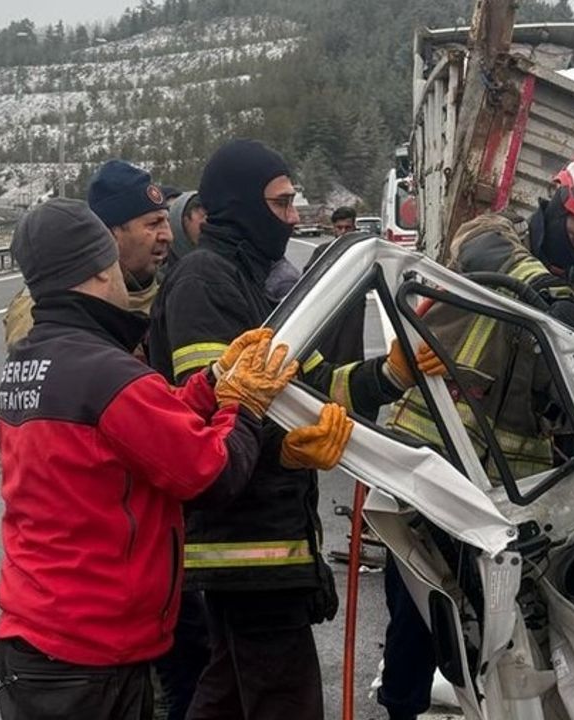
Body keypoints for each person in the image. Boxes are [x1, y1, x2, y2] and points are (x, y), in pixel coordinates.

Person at [149, 139, 436, 720]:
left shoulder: (257, 286)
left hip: (267, 534)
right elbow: (212, 413)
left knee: (227, 696)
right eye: (280, 204)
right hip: (244, 544)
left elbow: (312, 387)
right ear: (240, 205)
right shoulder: (206, 283)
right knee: (286, 700)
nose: (292, 217)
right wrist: (291, 452)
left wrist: (390, 375)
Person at [0, 198, 298, 720]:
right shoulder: (104, 372)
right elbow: (211, 473)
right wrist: (244, 408)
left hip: (43, 632)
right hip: (90, 653)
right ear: (98, 270)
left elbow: (140, 425)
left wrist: (212, 385)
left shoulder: (35, 359)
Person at [375, 148, 574, 720]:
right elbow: (483, 252)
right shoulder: (494, 234)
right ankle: (401, 708)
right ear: (557, 203)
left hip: (506, 493)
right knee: (419, 605)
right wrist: (545, 293)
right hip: (433, 459)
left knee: (490, 624)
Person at [3, 160, 173, 349]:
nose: (168, 235)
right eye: (153, 224)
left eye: (167, 221)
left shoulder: (174, 291)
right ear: (110, 234)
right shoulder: (44, 313)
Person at [303, 206, 367, 365]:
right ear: (333, 229)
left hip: (353, 310)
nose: (343, 232)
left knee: (351, 353)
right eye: (339, 228)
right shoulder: (322, 253)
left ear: (354, 227)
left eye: (347, 227)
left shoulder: (362, 252)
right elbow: (307, 281)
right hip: (327, 311)